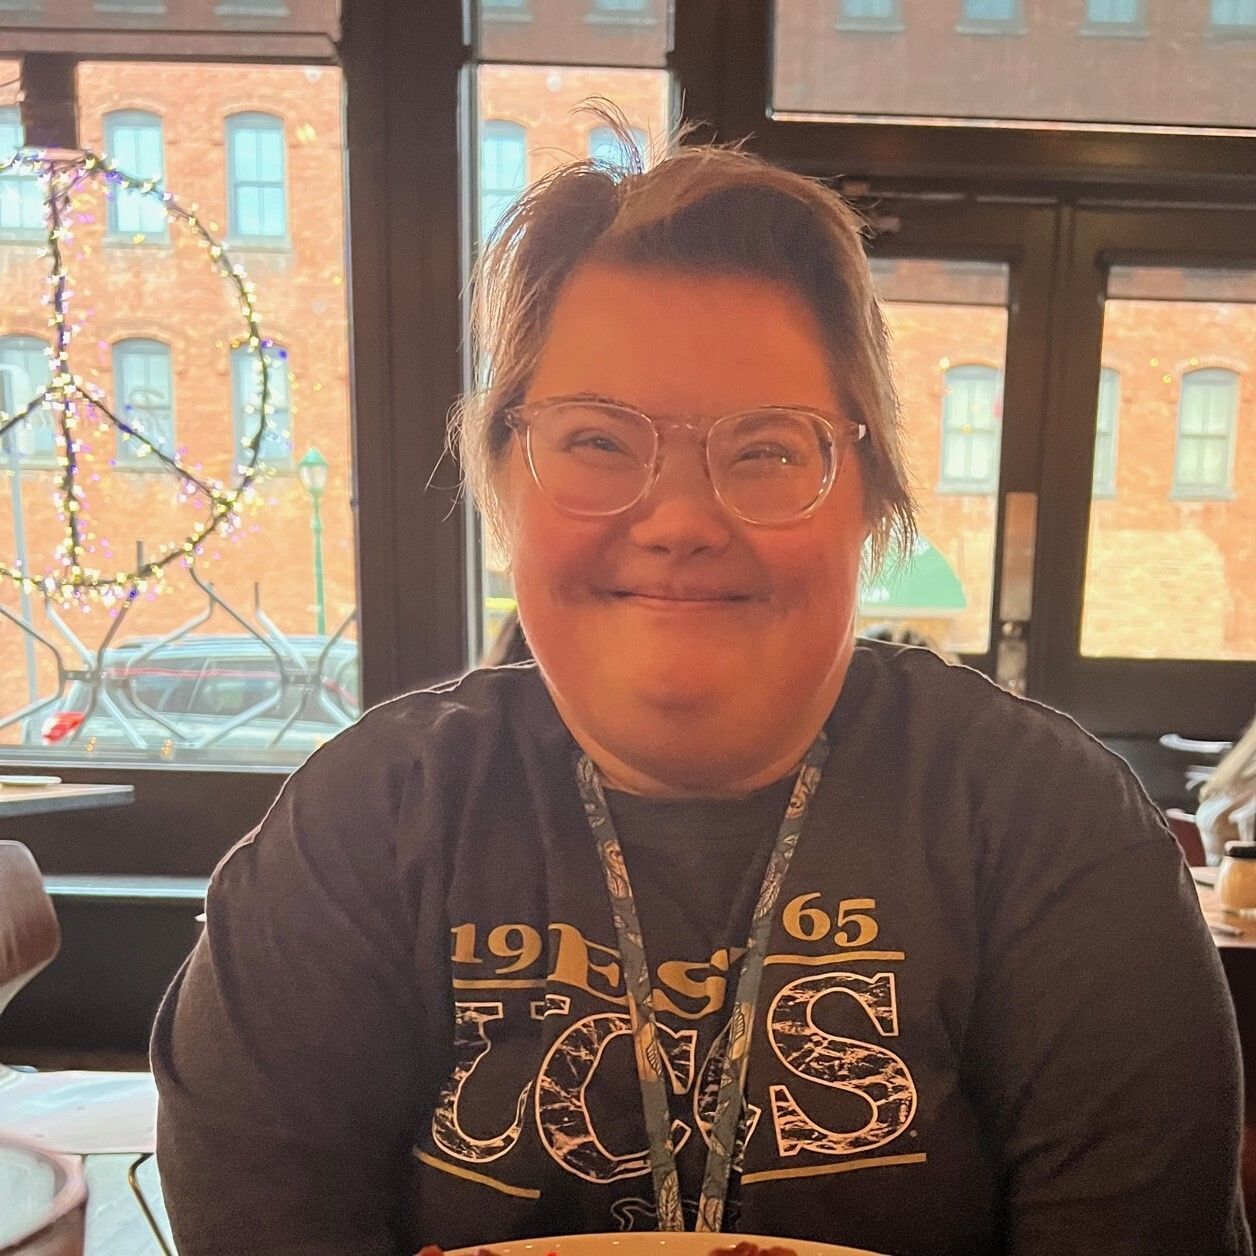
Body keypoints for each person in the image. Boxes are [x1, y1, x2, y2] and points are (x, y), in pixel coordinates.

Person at [151, 121, 1251, 1256]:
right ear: (504, 485)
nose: (677, 518)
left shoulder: (1046, 823)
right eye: (594, 441)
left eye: (767, 449)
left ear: (865, 495)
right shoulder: (359, 829)